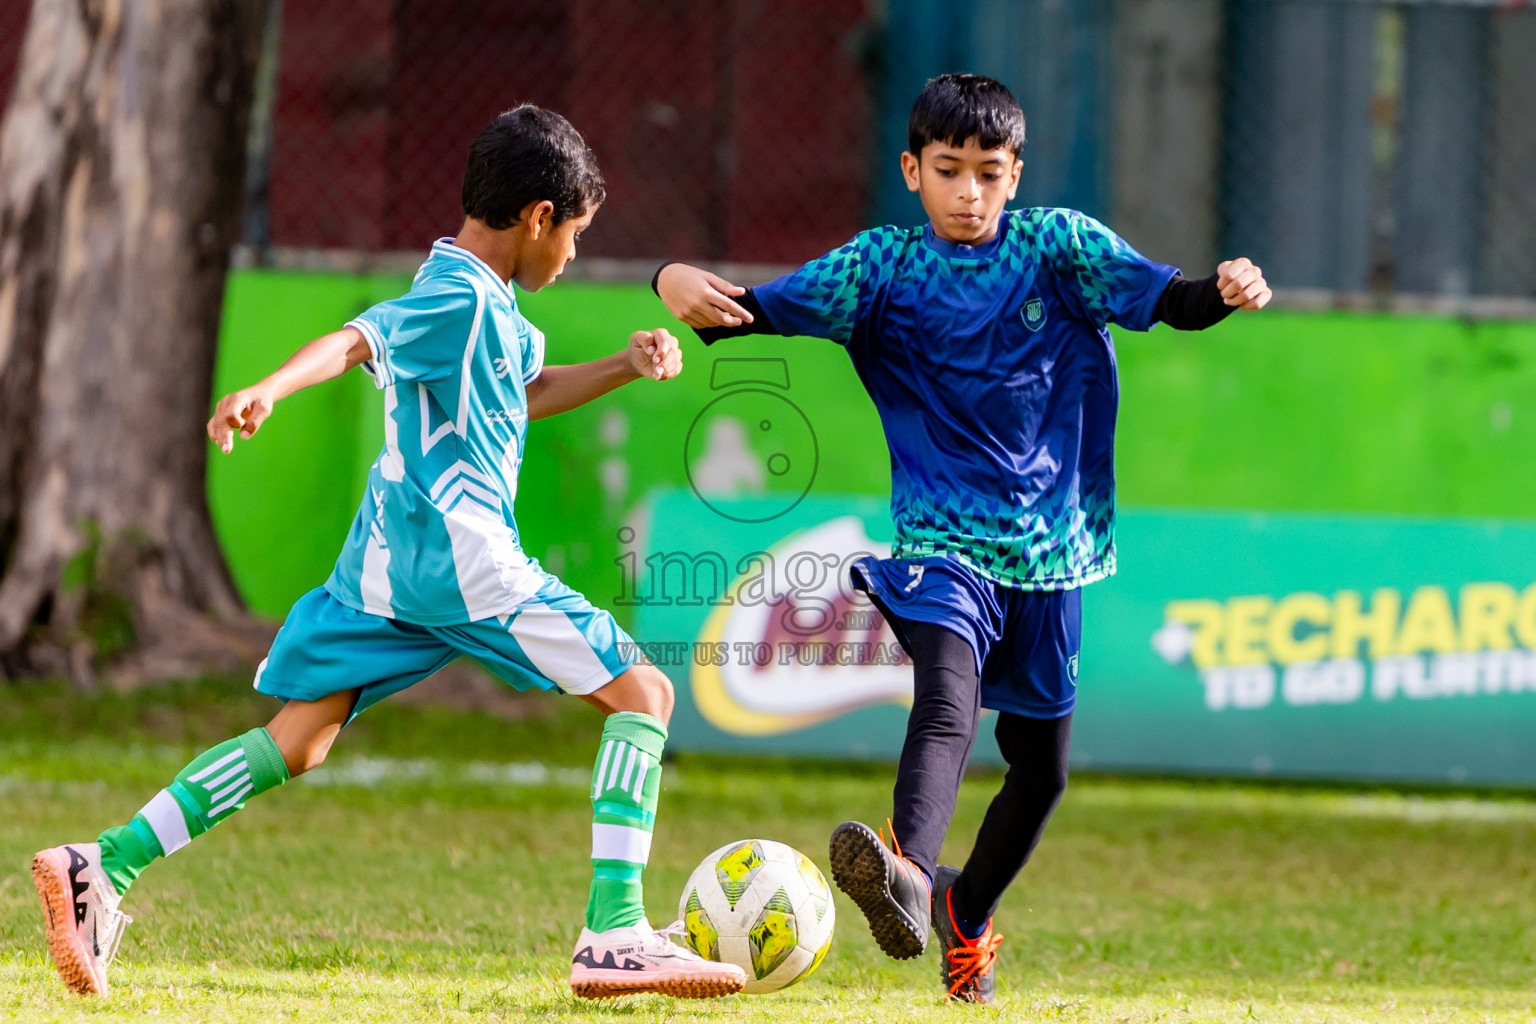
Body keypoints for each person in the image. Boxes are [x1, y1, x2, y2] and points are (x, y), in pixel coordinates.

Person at [31, 105, 745, 1002]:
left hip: (386, 568)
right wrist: (269, 388)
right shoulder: (454, 298)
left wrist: (623, 365)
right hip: (463, 560)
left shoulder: (490, 305)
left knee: (296, 742)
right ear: (537, 217)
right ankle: (613, 932)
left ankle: (102, 865)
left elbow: (525, 388)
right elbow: (353, 340)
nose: (570, 257)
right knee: (644, 691)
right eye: (575, 235)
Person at [653, 73, 1271, 1003]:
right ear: (912, 170)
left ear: (1015, 174)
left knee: (1044, 772)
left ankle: (964, 915)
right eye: (949, 171)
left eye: (988, 172)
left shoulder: (1061, 250)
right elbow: (745, 311)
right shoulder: (881, 270)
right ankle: (907, 867)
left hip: (1054, 556)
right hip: (942, 545)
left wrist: (1223, 290)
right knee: (946, 698)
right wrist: (672, 280)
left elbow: (1171, 300)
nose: (969, 192)